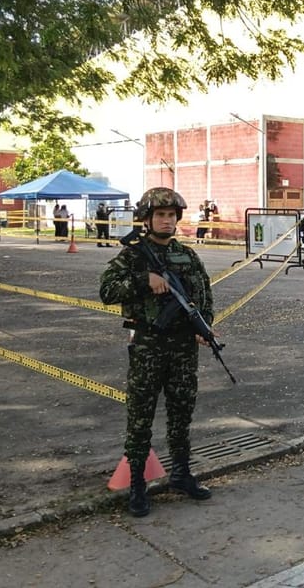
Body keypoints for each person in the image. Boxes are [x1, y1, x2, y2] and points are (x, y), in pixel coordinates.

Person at [100, 187, 216, 517]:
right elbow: (106, 290)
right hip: (148, 346)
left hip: (182, 348)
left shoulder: (187, 255)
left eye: (171, 215)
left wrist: (204, 327)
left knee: (181, 413)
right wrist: (143, 280)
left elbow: (204, 296)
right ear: (147, 219)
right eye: (160, 215)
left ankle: (181, 474)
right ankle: (138, 485)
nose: (167, 221)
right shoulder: (133, 255)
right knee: (141, 417)